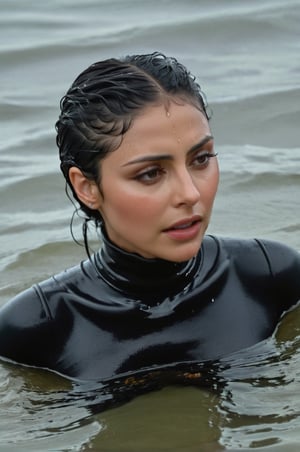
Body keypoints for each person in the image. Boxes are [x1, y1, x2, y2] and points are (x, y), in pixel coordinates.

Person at [0, 52, 299, 384]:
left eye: (201, 159)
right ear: (87, 187)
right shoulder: (37, 328)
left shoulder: (272, 278)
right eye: (150, 174)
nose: (190, 193)